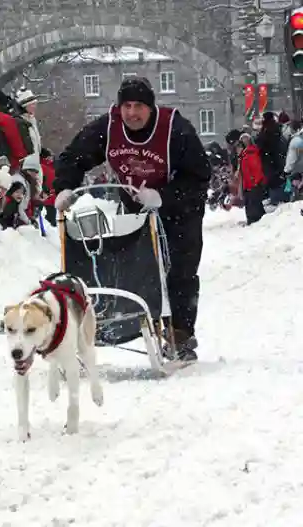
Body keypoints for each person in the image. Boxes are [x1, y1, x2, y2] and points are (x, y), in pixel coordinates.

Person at [53, 77, 211, 362]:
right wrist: (65, 186)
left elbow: (200, 176)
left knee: (180, 271)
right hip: (136, 207)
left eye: (139, 106)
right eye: (126, 105)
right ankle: (142, 322)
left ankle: (181, 336)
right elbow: (73, 156)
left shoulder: (175, 128)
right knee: (141, 267)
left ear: (151, 108)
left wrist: (163, 196)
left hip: (180, 209)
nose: (132, 113)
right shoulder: (109, 127)